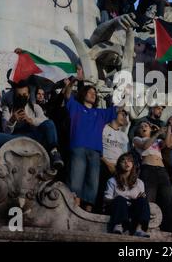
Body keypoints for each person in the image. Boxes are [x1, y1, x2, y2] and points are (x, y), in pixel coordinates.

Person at [64, 78, 118, 213]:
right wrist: (72, 82)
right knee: (76, 180)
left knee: (92, 184)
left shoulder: (100, 113)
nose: (93, 94)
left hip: (95, 152)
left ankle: (88, 213)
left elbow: (117, 109)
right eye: (90, 92)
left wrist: (123, 93)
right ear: (83, 94)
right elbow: (67, 95)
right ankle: (74, 211)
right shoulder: (76, 107)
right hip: (78, 148)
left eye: (95, 93)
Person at [0, 80, 63, 168]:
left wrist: (31, 120)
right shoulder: (7, 109)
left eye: (24, 95)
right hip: (15, 138)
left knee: (50, 123)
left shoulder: (35, 107)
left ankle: (54, 152)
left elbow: (45, 122)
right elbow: (6, 131)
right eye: (19, 95)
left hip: (33, 136)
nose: (22, 97)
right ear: (15, 96)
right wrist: (12, 120)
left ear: (28, 95)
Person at [133, 120, 172, 231]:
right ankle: (144, 228)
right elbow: (145, 146)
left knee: (168, 199)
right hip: (148, 169)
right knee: (149, 199)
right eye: (141, 126)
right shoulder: (137, 139)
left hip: (162, 170)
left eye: (146, 125)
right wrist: (156, 133)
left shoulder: (157, 141)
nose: (143, 127)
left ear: (150, 128)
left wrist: (169, 127)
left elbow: (168, 144)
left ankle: (168, 229)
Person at [104, 153, 150, 238]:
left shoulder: (139, 182)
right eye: (123, 160)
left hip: (132, 209)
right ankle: (118, 225)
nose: (126, 163)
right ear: (118, 164)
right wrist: (118, 200)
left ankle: (139, 229)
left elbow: (140, 199)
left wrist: (139, 198)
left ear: (133, 165)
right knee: (120, 199)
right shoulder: (112, 181)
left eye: (129, 161)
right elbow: (107, 199)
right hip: (118, 208)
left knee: (142, 201)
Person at [96, 109, 130, 212]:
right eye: (122, 114)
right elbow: (97, 148)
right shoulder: (103, 128)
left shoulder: (124, 136)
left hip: (118, 169)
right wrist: (107, 163)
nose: (124, 117)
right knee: (100, 190)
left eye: (125, 116)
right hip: (102, 163)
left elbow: (125, 155)